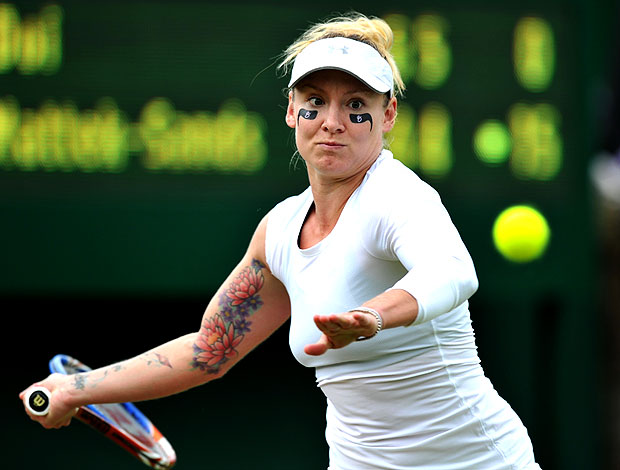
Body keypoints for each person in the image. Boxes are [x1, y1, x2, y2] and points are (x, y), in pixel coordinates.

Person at [21, 12, 541, 470]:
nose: (332, 122)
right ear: (292, 112)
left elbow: (452, 272)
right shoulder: (279, 231)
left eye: (355, 104)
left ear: (387, 117)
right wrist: (74, 390)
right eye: (315, 102)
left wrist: (373, 317)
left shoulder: (399, 197)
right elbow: (209, 351)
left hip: (475, 461)